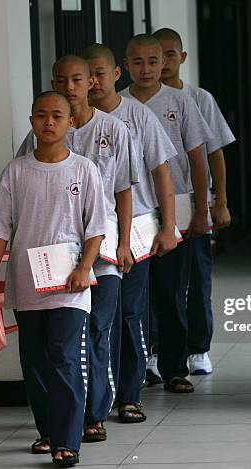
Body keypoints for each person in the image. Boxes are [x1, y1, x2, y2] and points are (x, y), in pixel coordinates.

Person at [0, 91, 107, 466]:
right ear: (32, 120)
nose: (48, 122)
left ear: (71, 122)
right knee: (35, 361)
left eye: (57, 115)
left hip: (70, 283)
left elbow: (96, 225)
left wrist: (85, 267)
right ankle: (48, 431)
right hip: (26, 281)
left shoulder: (84, 169)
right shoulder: (17, 170)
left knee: (66, 358)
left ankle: (68, 441)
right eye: (41, 115)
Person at [17, 55, 137, 442]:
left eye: (76, 79)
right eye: (61, 79)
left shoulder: (114, 130)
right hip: (52, 264)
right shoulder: (42, 130)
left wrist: (123, 243)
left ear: (91, 82)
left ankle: (94, 413)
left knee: (97, 332)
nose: (69, 86)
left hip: (100, 255)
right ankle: (65, 421)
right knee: (63, 344)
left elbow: (122, 191)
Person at [81, 42, 179, 422]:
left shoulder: (136, 116)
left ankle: (130, 394)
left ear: (114, 74)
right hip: (85, 235)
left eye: (98, 73)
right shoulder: (72, 119)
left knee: (131, 312)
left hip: (133, 228)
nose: (91, 81)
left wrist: (168, 226)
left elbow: (162, 172)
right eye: (83, 75)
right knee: (95, 317)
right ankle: (95, 398)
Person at [120, 34, 213, 393]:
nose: (146, 69)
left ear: (165, 64)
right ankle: (144, 361)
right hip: (136, 209)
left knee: (173, 288)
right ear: (125, 66)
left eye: (153, 61)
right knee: (137, 291)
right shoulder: (118, 105)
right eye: (137, 62)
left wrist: (203, 209)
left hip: (179, 206)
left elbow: (197, 158)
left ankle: (175, 366)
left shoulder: (181, 101)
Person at [154, 27, 236, 375]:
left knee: (197, 277)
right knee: (158, 283)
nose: (165, 62)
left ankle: (198, 347)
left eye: (171, 54)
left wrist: (219, 201)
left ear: (182, 58)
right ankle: (157, 349)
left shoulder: (198, 98)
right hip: (149, 206)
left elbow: (214, 153)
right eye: (160, 56)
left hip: (190, 201)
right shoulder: (134, 100)